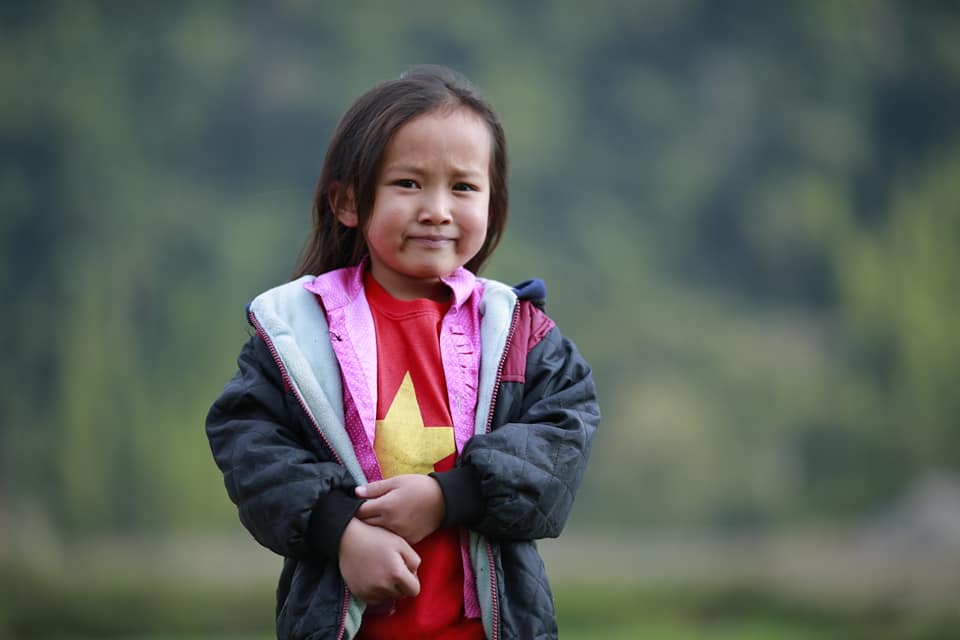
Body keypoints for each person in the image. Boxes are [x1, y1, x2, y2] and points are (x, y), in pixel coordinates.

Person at [206, 65, 600, 640]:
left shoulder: (518, 332)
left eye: (463, 187)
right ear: (347, 202)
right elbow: (249, 445)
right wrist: (341, 530)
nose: (437, 209)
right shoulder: (299, 332)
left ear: (493, 204)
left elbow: (564, 434)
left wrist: (448, 496)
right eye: (409, 183)